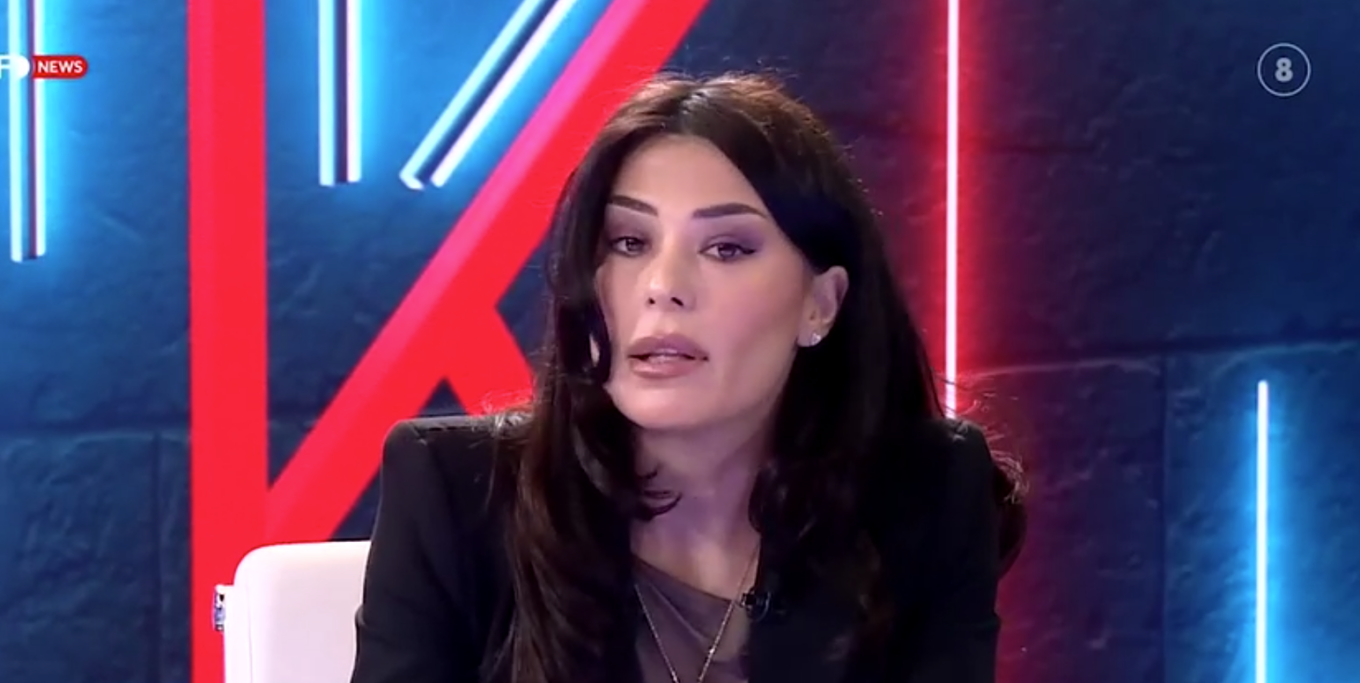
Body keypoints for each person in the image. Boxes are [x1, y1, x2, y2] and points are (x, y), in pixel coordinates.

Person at [349, 72, 1025, 683]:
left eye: (726, 248)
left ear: (820, 304)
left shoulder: (925, 497)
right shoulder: (455, 497)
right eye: (629, 243)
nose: (663, 284)